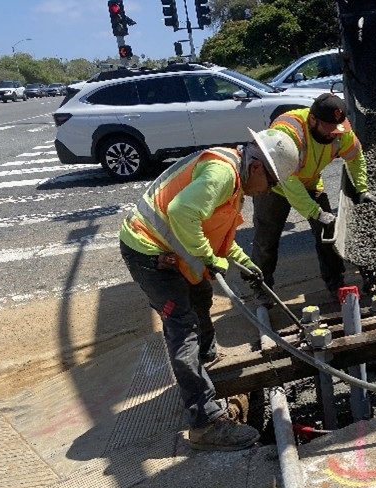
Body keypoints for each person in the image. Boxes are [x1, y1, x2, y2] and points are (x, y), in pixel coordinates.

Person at [119, 128, 300, 451]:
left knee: (201, 297)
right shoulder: (223, 173)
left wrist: (243, 262)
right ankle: (205, 423)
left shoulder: (235, 176)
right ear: (257, 167)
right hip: (150, 252)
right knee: (182, 329)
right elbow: (181, 212)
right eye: (271, 184)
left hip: (168, 250)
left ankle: (208, 361)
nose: (267, 192)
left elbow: (217, 230)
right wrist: (206, 257)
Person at [249, 92, 374, 306]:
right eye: (329, 129)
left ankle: (336, 283)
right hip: (275, 184)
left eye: (338, 130)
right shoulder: (288, 132)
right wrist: (316, 212)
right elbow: (289, 182)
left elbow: (355, 158)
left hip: (309, 181)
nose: (334, 135)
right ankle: (262, 288)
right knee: (266, 241)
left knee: (328, 235)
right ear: (313, 120)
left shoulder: (340, 131)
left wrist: (362, 189)